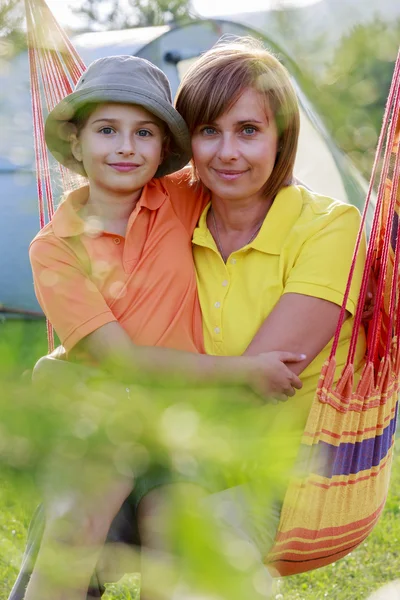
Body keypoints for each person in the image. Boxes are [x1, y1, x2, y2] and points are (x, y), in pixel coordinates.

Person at [15, 52, 305, 600]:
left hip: (180, 428)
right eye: (107, 130)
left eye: (144, 132)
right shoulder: (55, 250)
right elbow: (120, 359)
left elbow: (252, 175)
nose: (125, 146)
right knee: (74, 536)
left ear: (164, 149)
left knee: (173, 554)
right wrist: (240, 372)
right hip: (102, 418)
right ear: (76, 142)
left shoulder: (182, 198)